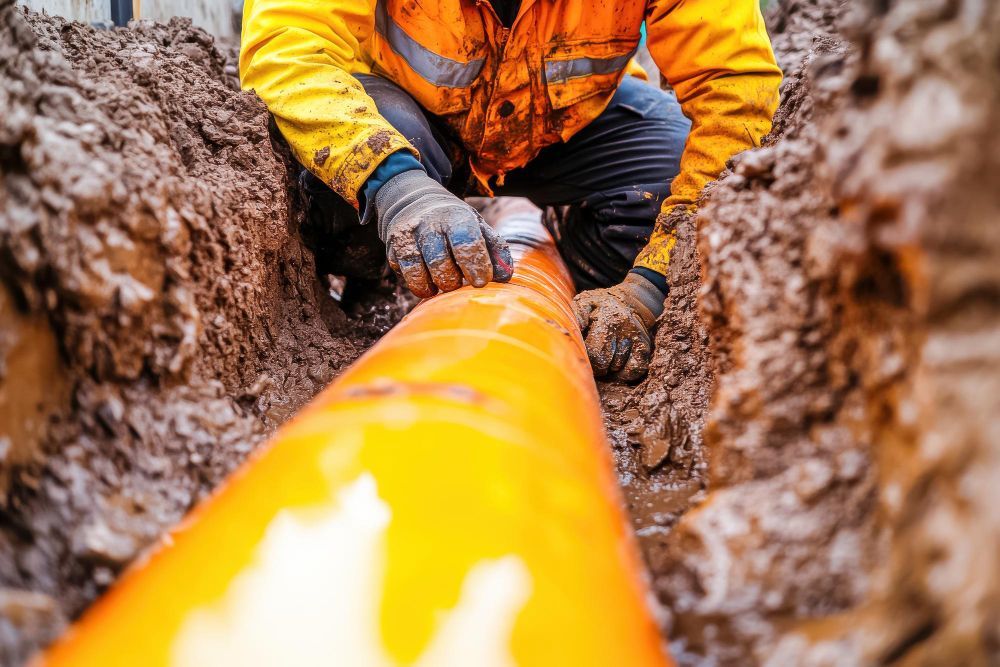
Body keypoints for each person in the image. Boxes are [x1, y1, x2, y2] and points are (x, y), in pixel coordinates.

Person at [240, 0, 781, 381]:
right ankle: (375, 274)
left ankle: (577, 246)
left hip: (560, 124)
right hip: (408, 125)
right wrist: (398, 188)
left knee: (666, 170)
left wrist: (651, 284)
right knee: (339, 172)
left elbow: (735, 90)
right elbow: (291, 44)